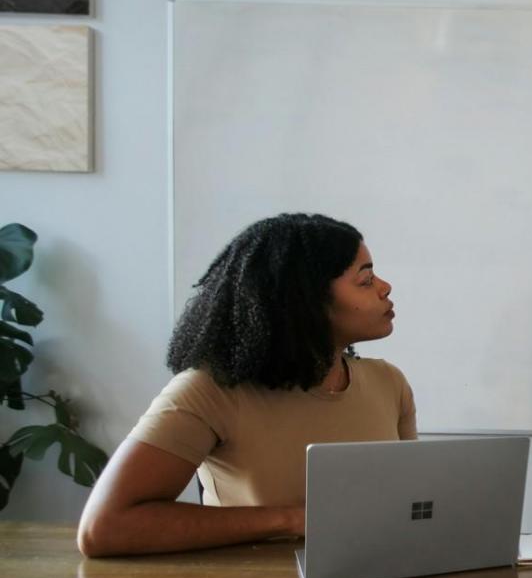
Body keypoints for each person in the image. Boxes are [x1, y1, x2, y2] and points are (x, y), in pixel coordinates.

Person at [77, 213, 416, 557]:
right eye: (366, 279)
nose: (384, 287)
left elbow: (408, 508)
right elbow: (105, 528)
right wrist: (293, 520)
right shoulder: (209, 391)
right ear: (304, 299)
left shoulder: (389, 383)